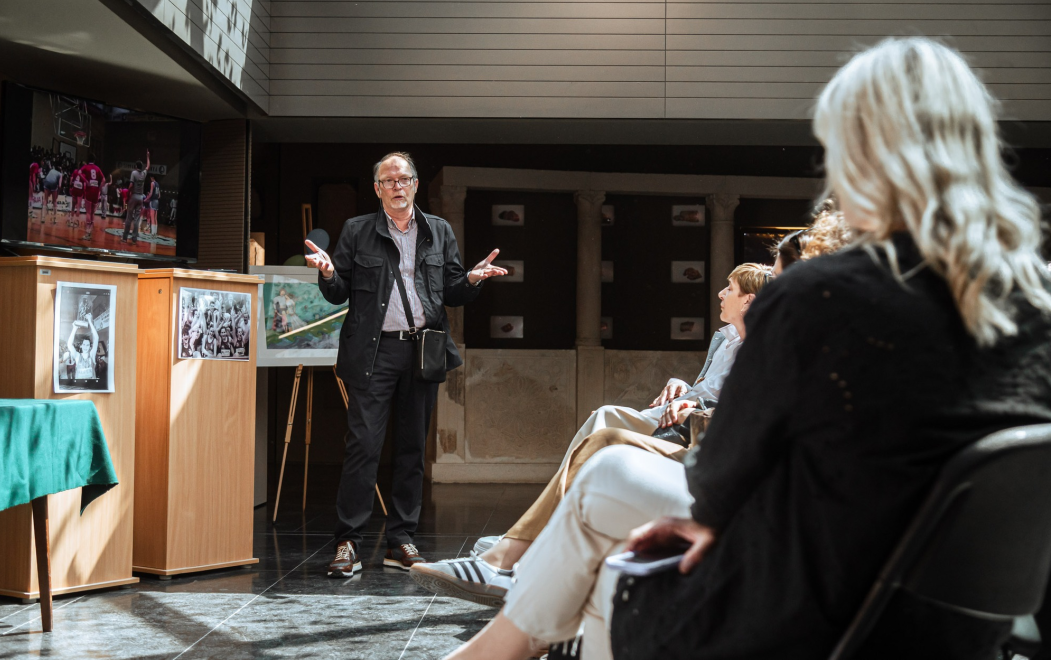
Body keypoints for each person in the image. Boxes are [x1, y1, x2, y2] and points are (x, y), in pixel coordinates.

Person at [442, 38, 1051, 660]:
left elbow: (719, 478)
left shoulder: (820, 294)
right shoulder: (1037, 304)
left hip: (813, 601)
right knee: (613, 567)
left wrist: (714, 516)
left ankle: (495, 648)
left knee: (611, 506)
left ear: (863, 154)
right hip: (952, 622)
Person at [411, 263, 774, 604]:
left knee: (603, 429)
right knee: (603, 419)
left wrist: (697, 408)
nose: (720, 294)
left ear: (749, 301)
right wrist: (684, 386)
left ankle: (523, 543)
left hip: (689, 435)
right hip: (677, 418)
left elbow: (739, 409)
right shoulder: (725, 339)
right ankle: (526, 539)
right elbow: (711, 387)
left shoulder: (760, 350)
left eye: (730, 288)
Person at [304, 151, 507, 579]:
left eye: (405, 179)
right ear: (378, 189)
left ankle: (401, 539)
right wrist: (326, 272)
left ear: (416, 185)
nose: (398, 186)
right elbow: (338, 292)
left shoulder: (439, 231)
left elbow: (450, 290)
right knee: (364, 446)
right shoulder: (357, 231)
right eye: (389, 180)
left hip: (421, 352)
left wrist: (470, 279)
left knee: (412, 447)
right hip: (372, 354)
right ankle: (349, 543)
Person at [122, 150, 150, 244]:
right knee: (137, 219)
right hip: (140, 198)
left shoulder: (134, 173)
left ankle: (125, 238)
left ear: (135, 166)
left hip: (134, 196)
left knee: (129, 218)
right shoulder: (143, 174)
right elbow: (148, 166)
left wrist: (129, 194)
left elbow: (130, 186)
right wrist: (148, 156)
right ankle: (134, 240)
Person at [67, 312, 99, 381]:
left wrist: (90, 321)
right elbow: (69, 344)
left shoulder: (91, 354)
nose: (85, 347)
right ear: (81, 346)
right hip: (80, 386)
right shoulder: (78, 356)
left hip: (91, 387)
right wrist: (74, 328)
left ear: (90, 346)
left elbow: (96, 338)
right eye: (84, 344)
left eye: (87, 345)